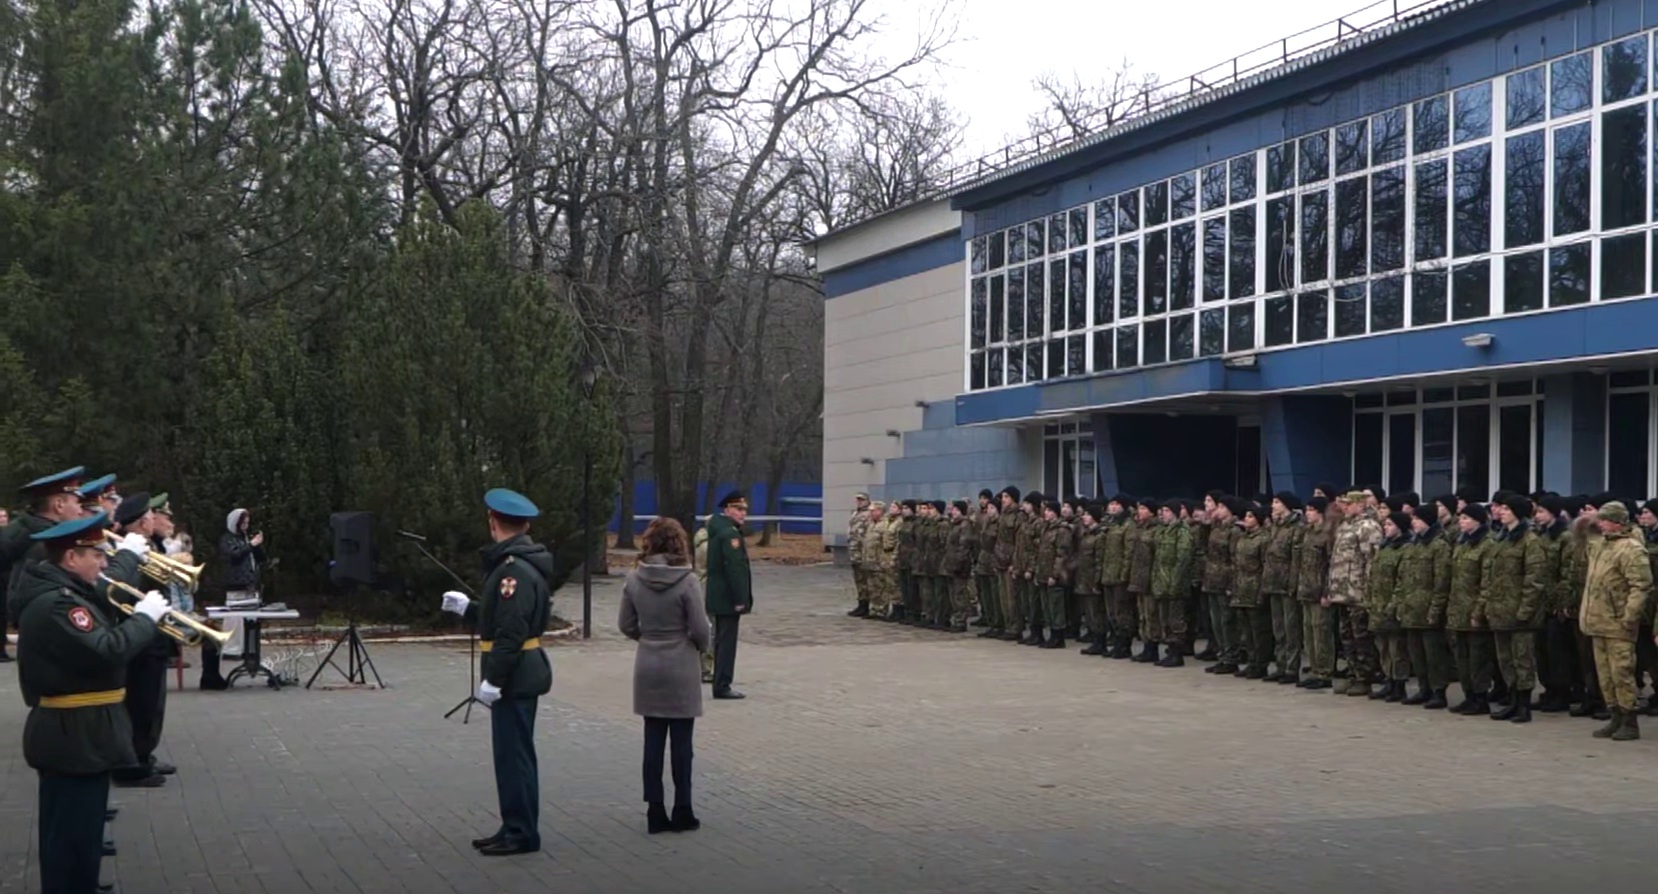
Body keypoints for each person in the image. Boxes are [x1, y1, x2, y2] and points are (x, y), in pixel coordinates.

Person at [15, 511, 170, 894]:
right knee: (72, 844)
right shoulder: (58, 604)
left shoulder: (68, 595)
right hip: (74, 735)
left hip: (81, 732)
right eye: (97, 555)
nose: (104, 563)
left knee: (77, 839)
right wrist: (145, 620)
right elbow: (107, 651)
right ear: (71, 557)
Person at [440, 488, 555, 855]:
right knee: (510, 756)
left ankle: (522, 832)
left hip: (515, 676)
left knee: (514, 757)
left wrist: (494, 679)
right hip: (518, 672)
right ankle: (513, 825)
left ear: (493, 522)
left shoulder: (512, 570)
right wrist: (469, 609)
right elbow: (502, 619)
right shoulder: (515, 564)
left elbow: (511, 632)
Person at [618, 518, 711, 834]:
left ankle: (654, 809)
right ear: (678, 543)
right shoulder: (688, 581)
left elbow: (625, 624)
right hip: (681, 664)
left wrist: (647, 638)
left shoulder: (634, 579)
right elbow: (700, 628)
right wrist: (696, 646)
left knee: (653, 741)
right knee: (682, 744)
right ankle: (683, 808)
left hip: (648, 663)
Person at [102, 492, 176, 787]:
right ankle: (130, 764)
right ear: (143, 522)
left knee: (153, 701)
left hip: (153, 633)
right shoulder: (126, 552)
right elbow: (126, 590)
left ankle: (144, 755)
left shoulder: (149, 546)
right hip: (138, 635)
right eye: (150, 517)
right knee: (140, 701)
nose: (154, 520)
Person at [1580, 500, 1653, 740]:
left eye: (1605, 519)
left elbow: (1641, 585)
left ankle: (1629, 720)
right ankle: (1615, 716)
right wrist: (1587, 521)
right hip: (1597, 621)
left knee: (1621, 672)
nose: (1600, 523)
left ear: (1617, 522)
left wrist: (1629, 616)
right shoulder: (1600, 545)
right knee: (1605, 675)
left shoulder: (1631, 548)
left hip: (1618, 622)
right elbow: (1580, 536)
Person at [705, 491, 753, 699]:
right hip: (728, 598)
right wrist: (741, 599)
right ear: (727, 509)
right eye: (738, 509)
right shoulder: (730, 535)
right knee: (726, 642)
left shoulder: (718, 529)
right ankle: (722, 684)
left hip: (718, 595)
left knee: (720, 640)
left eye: (744, 510)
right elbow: (735, 570)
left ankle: (720, 681)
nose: (743, 514)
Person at [214, 508, 267, 668]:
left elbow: (261, 558)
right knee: (234, 618)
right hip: (235, 583)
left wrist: (257, 546)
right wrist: (251, 545)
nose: (246, 526)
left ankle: (248, 649)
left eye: (247, 523)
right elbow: (234, 555)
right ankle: (231, 649)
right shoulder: (227, 539)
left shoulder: (246, 538)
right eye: (243, 523)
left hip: (250, 583)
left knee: (251, 617)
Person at [846, 493, 872, 618]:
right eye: (858, 500)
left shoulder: (869, 514)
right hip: (854, 551)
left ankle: (867, 605)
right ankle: (861, 603)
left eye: (862, 500)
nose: (859, 502)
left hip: (863, 551)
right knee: (859, 580)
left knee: (865, 580)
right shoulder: (855, 513)